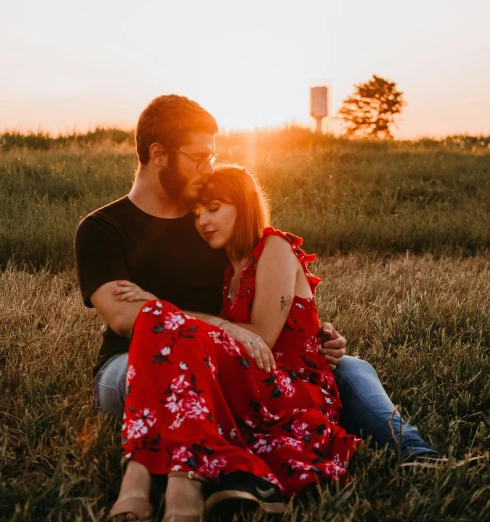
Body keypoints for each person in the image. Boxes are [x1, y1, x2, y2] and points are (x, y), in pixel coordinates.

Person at [74, 95, 437, 520]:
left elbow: (262, 290)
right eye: (199, 157)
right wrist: (224, 327)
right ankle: (195, 477)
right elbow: (124, 317)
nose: (209, 168)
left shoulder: (213, 228)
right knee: (174, 361)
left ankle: (416, 453)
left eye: (213, 157)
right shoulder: (102, 229)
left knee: (350, 368)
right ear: (158, 154)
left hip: (229, 361)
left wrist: (311, 333)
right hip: (132, 364)